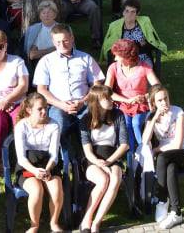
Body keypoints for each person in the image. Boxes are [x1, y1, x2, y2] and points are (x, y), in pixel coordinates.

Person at [34, 23, 104, 140]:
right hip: (58, 104)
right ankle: (67, 157)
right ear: (53, 41)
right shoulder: (46, 61)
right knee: (57, 129)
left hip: (84, 103)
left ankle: (89, 155)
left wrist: (83, 101)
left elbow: (96, 85)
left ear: (72, 38)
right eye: (58, 42)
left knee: (94, 128)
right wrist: (61, 105)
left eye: (65, 40)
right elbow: (41, 90)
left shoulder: (85, 58)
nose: (62, 45)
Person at [142, 85, 184, 230]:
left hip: (183, 152)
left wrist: (157, 149)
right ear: (153, 103)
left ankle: (161, 199)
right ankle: (176, 212)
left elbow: (178, 144)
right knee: (171, 169)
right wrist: (154, 119)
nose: (164, 103)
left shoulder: (178, 112)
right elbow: (144, 140)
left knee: (161, 158)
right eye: (159, 100)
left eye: (165, 98)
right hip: (169, 159)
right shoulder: (151, 116)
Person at [78, 85, 129, 233]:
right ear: (96, 101)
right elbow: (87, 151)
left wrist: (109, 161)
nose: (111, 100)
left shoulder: (118, 115)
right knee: (103, 180)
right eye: (107, 98)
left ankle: (97, 223)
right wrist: (99, 163)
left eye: (110, 96)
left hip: (113, 156)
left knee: (114, 179)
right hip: (93, 159)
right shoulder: (86, 120)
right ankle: (87, 219)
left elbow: (124, 145)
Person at [13, 92, 64, 233]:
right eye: (40, 109)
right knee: (36, 190)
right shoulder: (21, 126)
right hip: (28, 166)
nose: (44, 111)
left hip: (48, 165)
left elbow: (54, 154)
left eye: (45, 108)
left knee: (56, 188)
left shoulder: (54, 125)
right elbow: (21, 157)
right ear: (29, 110)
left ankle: (54, 223)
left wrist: (47, 169)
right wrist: (35, 171)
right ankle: (34, 224)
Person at [104, 38, 159, 149]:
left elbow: (157, 87)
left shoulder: (144, 67)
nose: (115, 58)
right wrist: (127, 100)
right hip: (122, 104)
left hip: (141, 105)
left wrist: (145, 97)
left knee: (136, 123)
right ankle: (131, 153)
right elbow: (107, 91)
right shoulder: (113, 67)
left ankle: (143, 149)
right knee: (126, 124)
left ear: (127, 57)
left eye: (117, 56)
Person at [101, 0, 167, 67]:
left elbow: (152, 42)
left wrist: (145, 44)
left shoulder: (145, 22)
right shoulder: (115, 26)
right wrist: (138, 44)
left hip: (142, 58)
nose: (129, 14)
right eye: (127, 11)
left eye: (133, 12)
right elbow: (110, 46)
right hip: (124, 59)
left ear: (137, 14)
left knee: (144, 71)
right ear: (123, 12)